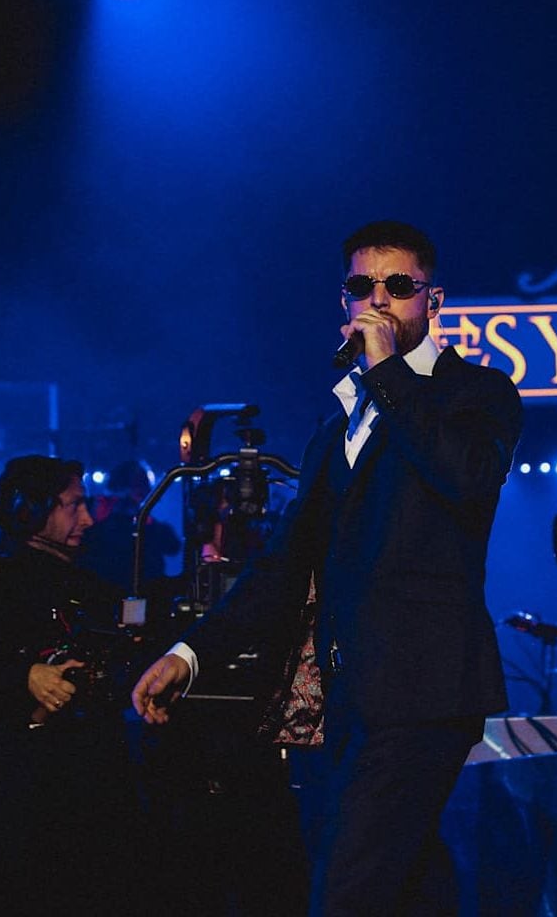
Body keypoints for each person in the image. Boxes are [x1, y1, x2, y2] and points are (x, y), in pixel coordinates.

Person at [132, 220, 523, 915]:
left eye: (398, 285)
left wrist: (387, 372)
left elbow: (466, 476)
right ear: (342, 300)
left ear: (433, 300)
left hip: (427, 693)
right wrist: (191, 654)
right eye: (361, 286)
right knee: (402, 884)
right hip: (348, 698)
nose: (378, 301)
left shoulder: (477, 392)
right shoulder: (338, 426)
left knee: (348, 888)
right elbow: (284, 563)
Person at [0, 455, 141, 909]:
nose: (87, 519)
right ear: (32, 508)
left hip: (96, 785)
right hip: (29, 795)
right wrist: (26, 676)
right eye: (74, 505)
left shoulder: (92, 581)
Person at [79, 458, 180, 593]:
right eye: (138, 486)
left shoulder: (148, 522)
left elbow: (173, 546)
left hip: (146, 590)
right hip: (108, 590)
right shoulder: (99, 517)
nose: (145, 492)